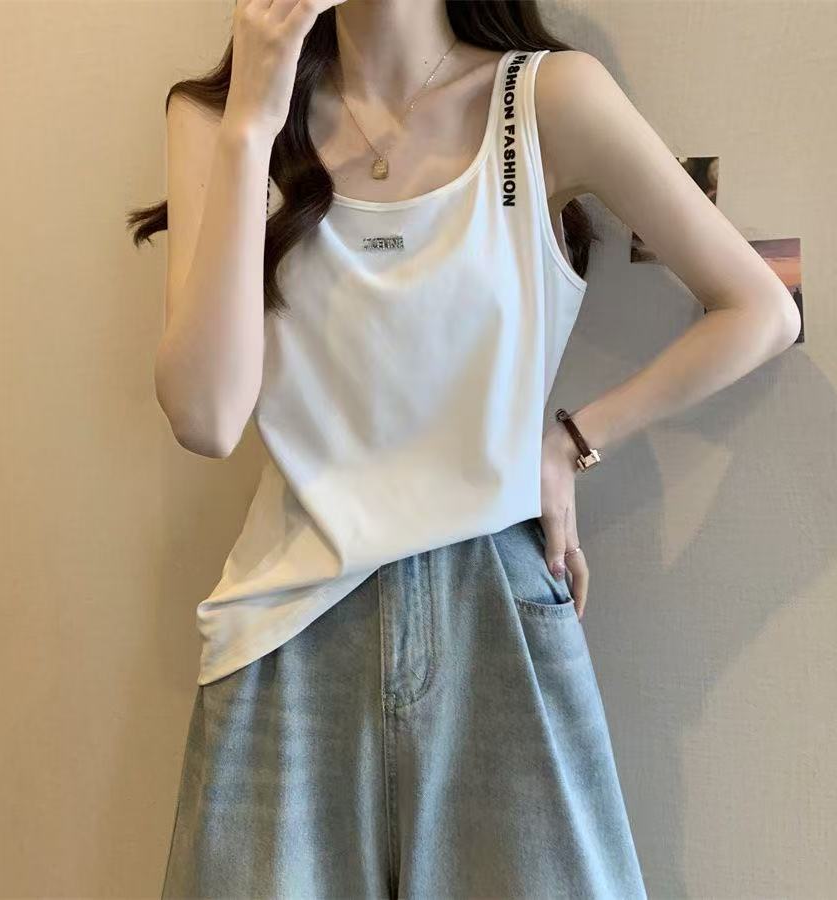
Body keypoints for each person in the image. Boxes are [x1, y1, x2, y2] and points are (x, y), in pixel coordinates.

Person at [127, 1, 801, 897]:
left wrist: (571, 441)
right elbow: (207, 420)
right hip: (288, 628)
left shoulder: (545, 100)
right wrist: (253, 120)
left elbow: (760, 311)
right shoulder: (218, 117)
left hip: (498, 611)